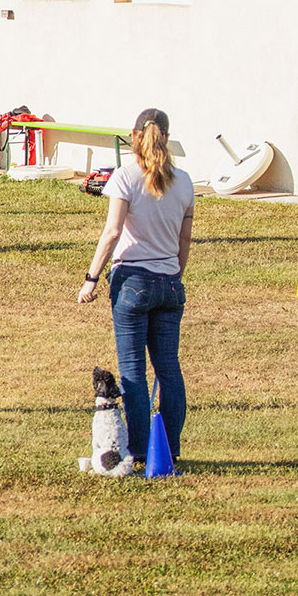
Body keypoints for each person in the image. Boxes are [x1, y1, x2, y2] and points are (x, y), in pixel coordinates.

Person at [79, 108, 193, 465]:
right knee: (168, 369)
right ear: (167, 136)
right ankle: (170, 448)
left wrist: (91, 278)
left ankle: (141, 450)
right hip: (170, 284)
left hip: (132, 282)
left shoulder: (125, 177)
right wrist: (175, 273)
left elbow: (113, 232)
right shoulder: (185, 181)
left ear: (134, 135)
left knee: (133, 372)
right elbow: (184, 239)